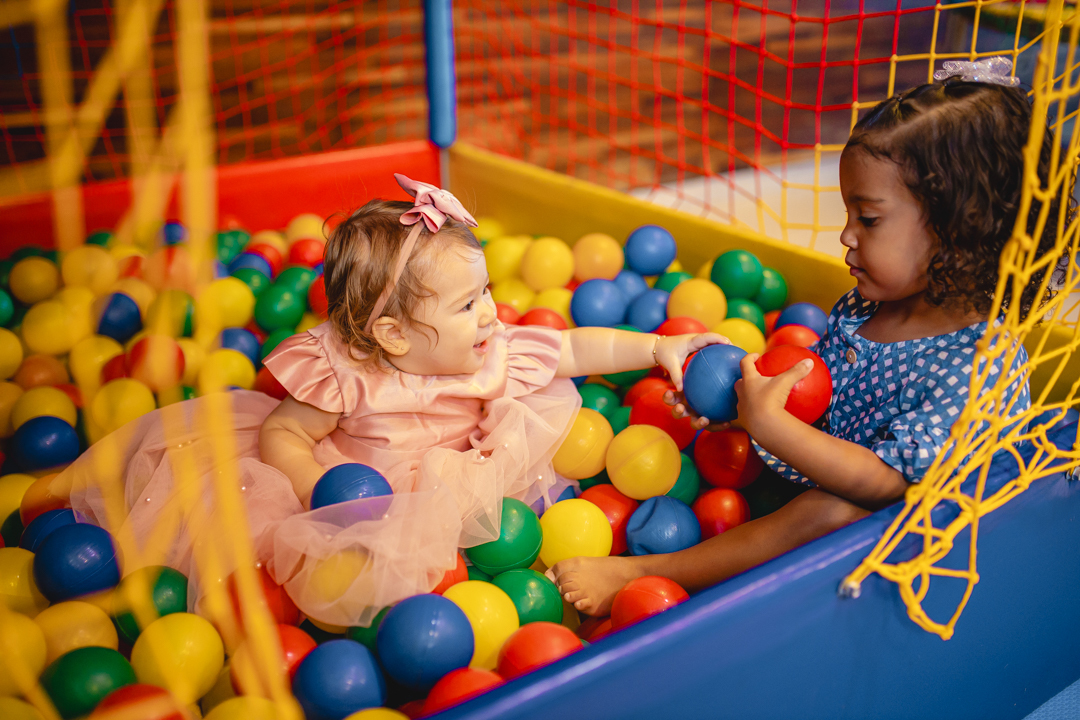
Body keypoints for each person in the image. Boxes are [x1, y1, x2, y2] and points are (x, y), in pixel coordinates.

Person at [60, 174, 725, 627]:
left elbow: (575, 349)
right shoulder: (346, 374)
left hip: (452, 483)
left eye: (486, 291)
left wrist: (656, 347)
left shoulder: (493, 350)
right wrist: (317, 487)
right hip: (356, 494)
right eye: (467, 305)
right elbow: (283, 434)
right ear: (393, 335)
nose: (491, 313)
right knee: (300, 566)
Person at [551, 63, 1071, 616]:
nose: (845, 235)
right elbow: (816, 397)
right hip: (805, 478)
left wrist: (769, 426)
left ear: (958, 231)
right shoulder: (870, 305)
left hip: (907, 548)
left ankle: (649, 572)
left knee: (830, 514)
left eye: (868, 219)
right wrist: (741, 404)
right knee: (765, 478)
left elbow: (885, 484)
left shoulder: (977, 364)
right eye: (849, 213)